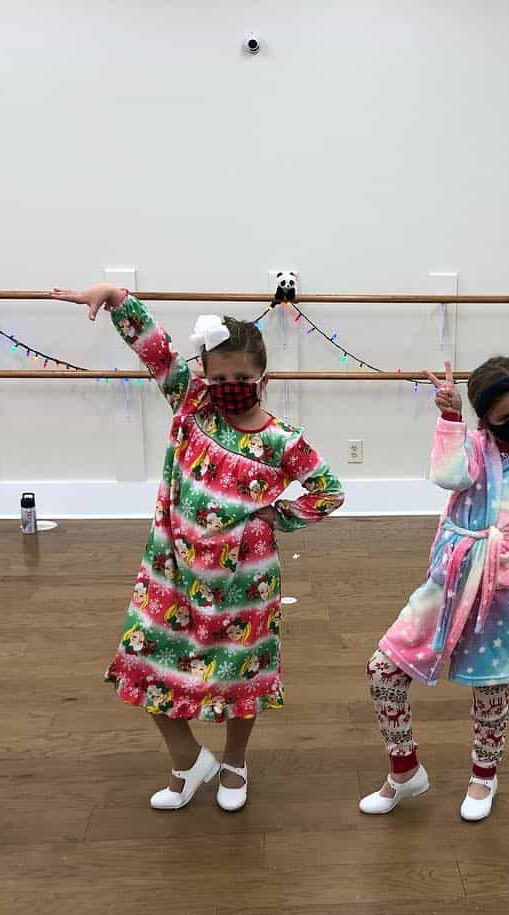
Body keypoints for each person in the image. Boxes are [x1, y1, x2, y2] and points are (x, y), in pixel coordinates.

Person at [52, 283, 343, 811]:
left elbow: (330, 490)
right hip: (171, 571)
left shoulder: (282, 440)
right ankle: (187, 762)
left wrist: (277, 517)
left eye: (241, 378)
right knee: (145, 662)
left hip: (245, 583)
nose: (229, 386)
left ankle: (235, 763)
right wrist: (117, 298)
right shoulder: (192, 406)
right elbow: (155, 347)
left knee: (241, 675)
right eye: (219, 376)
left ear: (264, 380)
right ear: (205, 376)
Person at [360, 356, 509, 822]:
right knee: (383, 670)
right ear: (485, 420)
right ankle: (405, 768)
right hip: (447, 580)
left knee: (491, 687)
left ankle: (484, 775)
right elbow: (449, 476)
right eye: (504, 416)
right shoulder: (471, 447)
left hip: (500, 590)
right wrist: (449, 417)